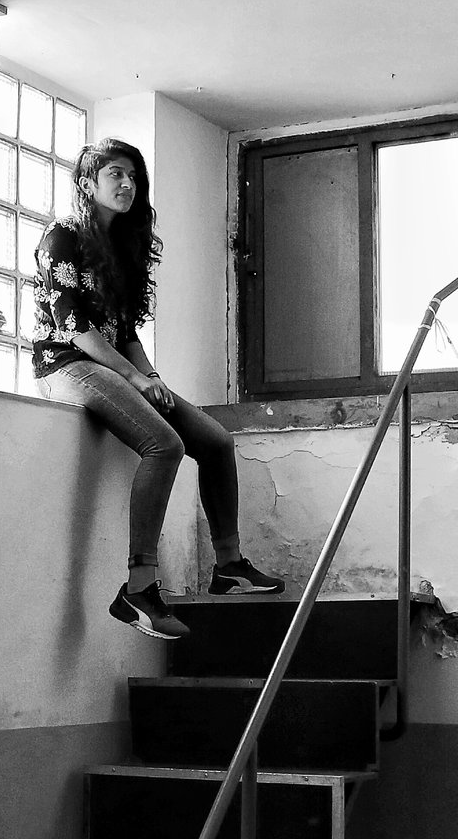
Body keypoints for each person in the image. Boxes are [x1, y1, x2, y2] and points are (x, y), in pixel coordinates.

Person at [31, 139, 283, 639]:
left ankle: (229, 567)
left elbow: (125, 333)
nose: (129, 185)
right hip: (65, 363)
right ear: (87, 185)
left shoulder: (122, 246)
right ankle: (138, 588)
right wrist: (133, 378)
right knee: (164, 444)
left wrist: (154, 379)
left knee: (215, 441)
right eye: (116, 175)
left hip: (114, 365)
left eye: (134, 177)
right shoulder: (62, 237)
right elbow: (75, 327)